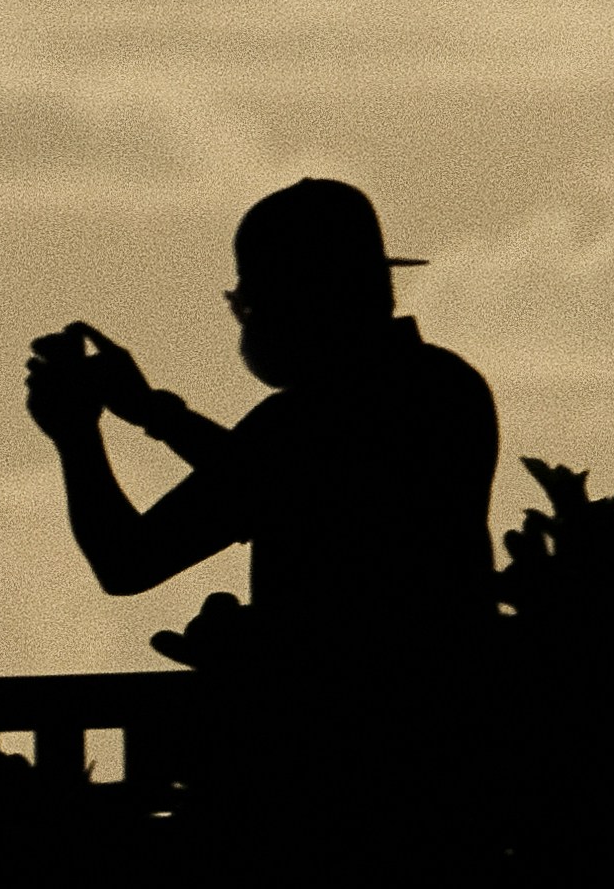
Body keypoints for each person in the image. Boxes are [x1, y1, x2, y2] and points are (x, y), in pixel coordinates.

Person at [25, 181, 497, 651]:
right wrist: (153, 413)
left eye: (247, 305)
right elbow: (269, 478)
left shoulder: (303, 421)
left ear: (297, 301)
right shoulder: (449, 385)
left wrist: (78, 435)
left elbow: (129, 561)